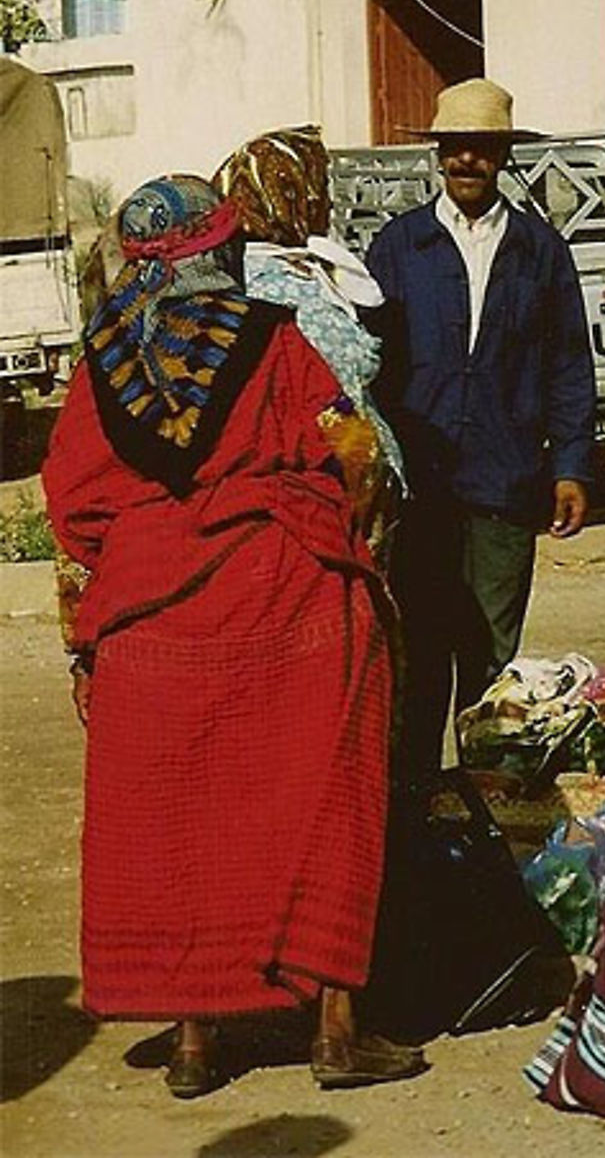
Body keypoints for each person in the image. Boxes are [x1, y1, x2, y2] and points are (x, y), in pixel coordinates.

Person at [42, 175, 424, 1097]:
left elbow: (74, 505)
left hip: (151, 624)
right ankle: (334, 1028)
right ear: (218, 248)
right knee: (326, 797)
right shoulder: (274, 338)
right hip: (289, 599)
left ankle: (192, 1041)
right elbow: (354, 451)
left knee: (181, 826)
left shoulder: (100, 366)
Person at [364, 77, 596, 779]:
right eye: (454, 149)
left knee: (492, 660)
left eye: (481, 149)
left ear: (502, 156)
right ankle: (415, 813)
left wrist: (571, 467)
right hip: (420, 490)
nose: (466, 162)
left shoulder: (539, 250)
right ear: (438, 155)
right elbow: (367, 366)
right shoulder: (399, 247)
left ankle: (484, 809)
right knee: (420, 652)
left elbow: (568, 364)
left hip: (504, 481)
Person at [213, 126, 406, 566]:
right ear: (291, 197)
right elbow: (341, 384)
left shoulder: (267, 273)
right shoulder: (280, 289)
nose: (328, 203)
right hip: (331, 504)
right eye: (318, 190)